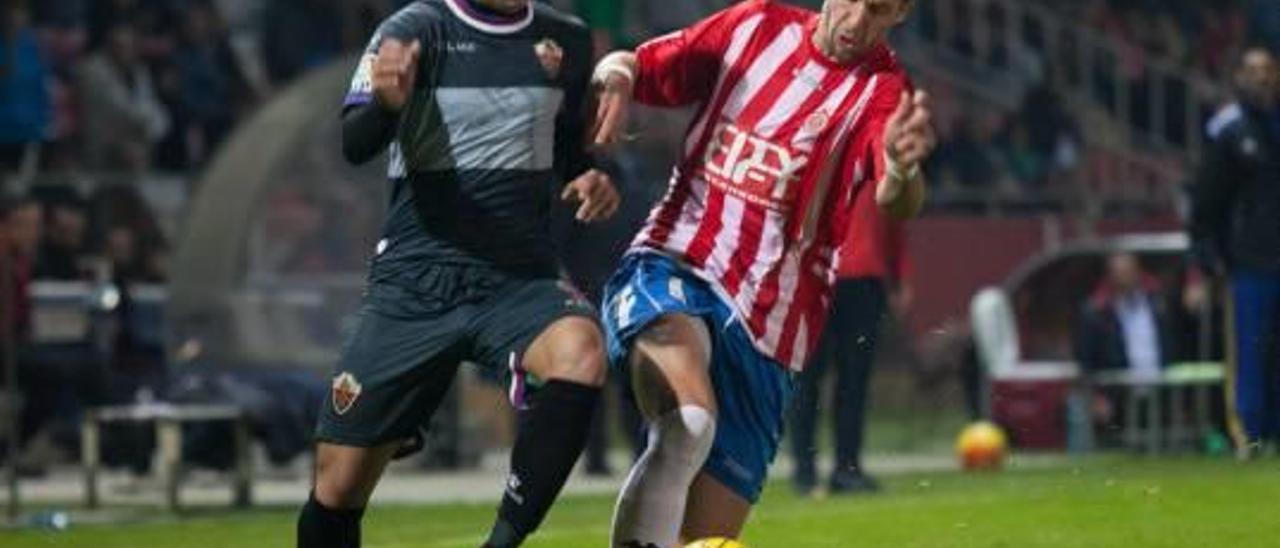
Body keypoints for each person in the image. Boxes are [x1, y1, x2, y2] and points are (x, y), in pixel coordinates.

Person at [590, 0, 935, 543]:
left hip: (771, 335)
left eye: (879, 11)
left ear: (901, 13)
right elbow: (640, 65)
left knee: (702, 541)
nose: (856, 23)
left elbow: (899, 198)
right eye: (853, 3)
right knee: (688, 424)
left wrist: (903, 167)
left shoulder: (884, 90)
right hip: (677, 266)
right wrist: (613, 73)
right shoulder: (754, 25)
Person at [294, 1, 621, 547]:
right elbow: (356, 144)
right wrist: (384, 103)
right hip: (417, 280)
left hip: (519, 279)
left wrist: (592, 176)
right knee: (338, 484)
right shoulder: (412, 30)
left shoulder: (567, 41)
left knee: (583, 352)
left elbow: (569, 149)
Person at [790, 178, 912, 496]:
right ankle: (843, 469)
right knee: (848, 381)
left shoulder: (818, 155)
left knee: (811, 379)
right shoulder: (876, 163)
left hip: (822, 276)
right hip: (856, 279)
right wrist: (898, 277)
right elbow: (894, 220)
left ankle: (808, 470)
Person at [1191, 45, 1280, 458]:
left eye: (1267, 70)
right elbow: (1207, 199)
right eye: (1253, 70)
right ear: (1238, 77)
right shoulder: (1228, 131)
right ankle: (1250, 435)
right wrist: (1206, 256)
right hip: (1250, 261)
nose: (1261, 78)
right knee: (1249, 350)